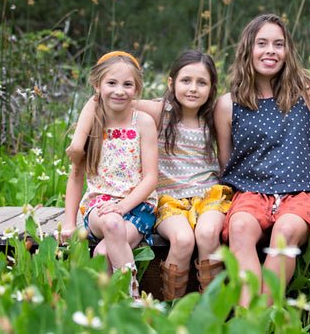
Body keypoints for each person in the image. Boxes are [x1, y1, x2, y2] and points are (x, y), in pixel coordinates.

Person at [68, 50, 232, 300]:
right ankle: (172, 308)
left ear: (212, 88)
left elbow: (225, 158)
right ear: (171, 83)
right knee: (182, 239)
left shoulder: (213, 115)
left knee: (208, 233)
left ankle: (214, 308)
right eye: (186, 80)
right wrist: (79, 142)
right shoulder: (161, 111)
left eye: (202, 83)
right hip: (170, 200)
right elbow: (98, 99)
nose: (193, 89)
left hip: (207, 195)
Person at [214, 13, 310, 307]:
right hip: (251, 191)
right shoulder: (229, 104)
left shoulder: (306, 94)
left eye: (278, 44)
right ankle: (249, 313)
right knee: (239, 228)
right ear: (247, 50)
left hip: (300, 191)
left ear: (287, 51)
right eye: (262, 43)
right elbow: (227, 161)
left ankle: (256, 317)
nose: (270, 51)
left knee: (285, 232)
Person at [62, 51, 159, 299]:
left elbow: (151, 178)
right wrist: (68, 223)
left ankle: (104, 310)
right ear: (98, 85)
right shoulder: (91, 126)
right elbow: (75, 177)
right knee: (112, 222)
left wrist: (123, 205)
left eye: (127, 84)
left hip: (138, 206)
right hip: (98, 206)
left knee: (104, 253)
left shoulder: (143, 123)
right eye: (111, 83)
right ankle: (133, 297)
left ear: (136, 89)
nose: (119, 91)